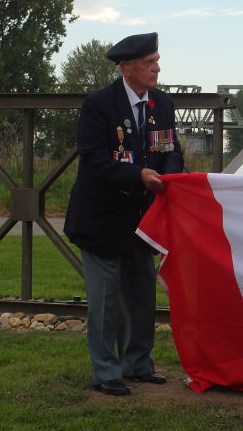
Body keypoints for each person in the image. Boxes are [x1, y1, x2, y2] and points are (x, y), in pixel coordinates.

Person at [64, 32, 184, 396]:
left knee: (140, 294)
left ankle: (138, 364)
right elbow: (95, 160)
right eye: (150, 63)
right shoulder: (100, 104)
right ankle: (106, 371)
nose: (157, 68)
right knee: (105, 300)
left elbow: (169, 150)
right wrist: (139, 175)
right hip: (102, 219)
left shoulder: (161, 103)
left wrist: (173, 179)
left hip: (142, 220)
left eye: (157, 61)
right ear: (126, 68)